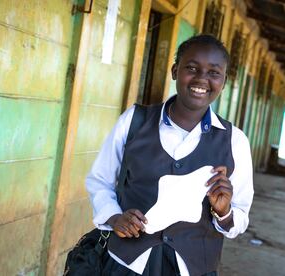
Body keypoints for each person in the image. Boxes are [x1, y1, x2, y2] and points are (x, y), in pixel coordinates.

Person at [86, 34, 254, 276]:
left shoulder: (234, 141)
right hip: (125, 264)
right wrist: (114, 217)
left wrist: (224, 211)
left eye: (213, 73)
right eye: (192, 68)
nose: (201, 79)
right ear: (175, 71)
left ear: (224, 81)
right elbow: (99, 180)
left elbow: (239, 217)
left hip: (193, 268)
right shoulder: (134, 121)